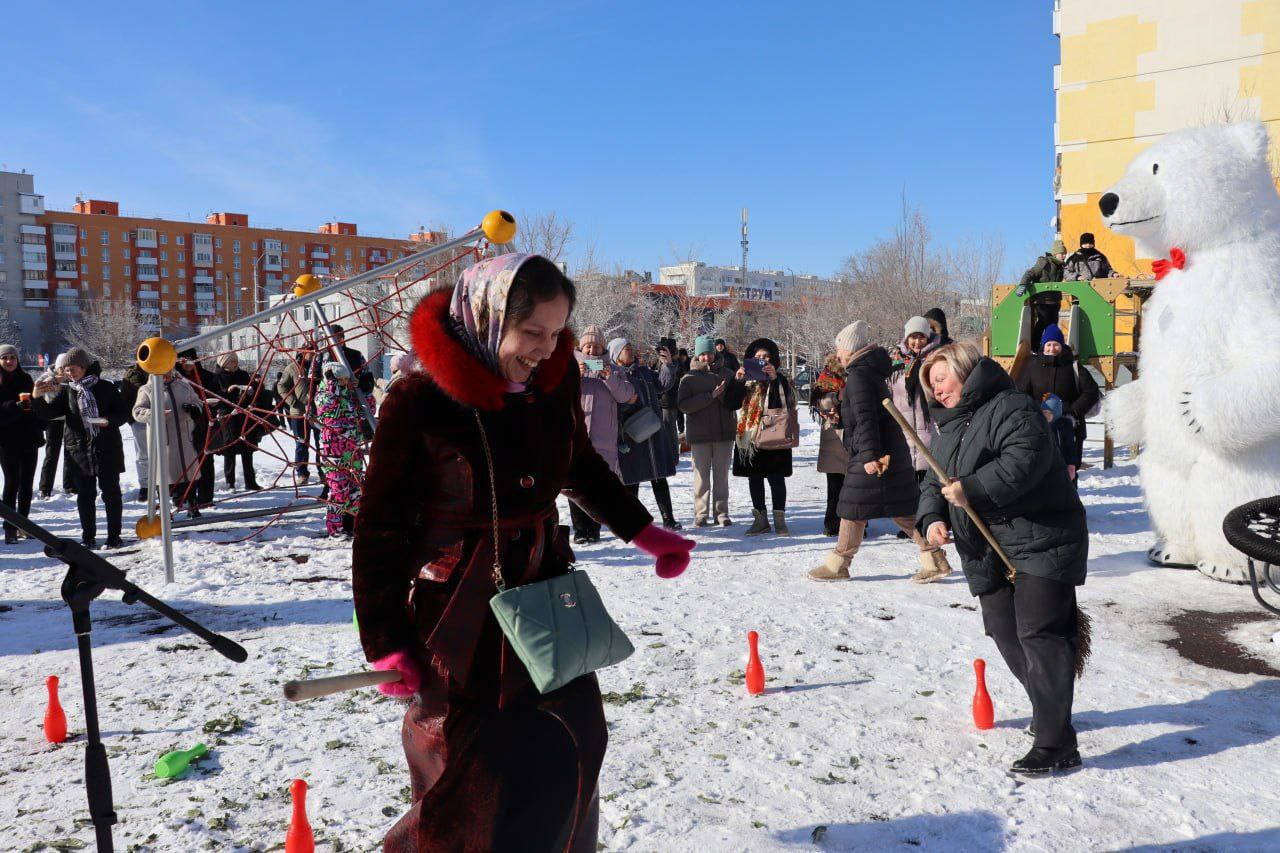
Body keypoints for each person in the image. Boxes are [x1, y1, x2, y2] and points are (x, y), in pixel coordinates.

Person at [352, 252, 694, 850]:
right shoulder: (419, 402)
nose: (545, 347)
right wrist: (385, 640)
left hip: (545, 597)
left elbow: (580, 465)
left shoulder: (553, 384)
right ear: (485, 318)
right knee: (469, 772)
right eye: (532, 331)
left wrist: (643, 531)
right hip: (461, 617)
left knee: (573, 739)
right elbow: (379, 528)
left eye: (556, 332)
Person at [916, 342, 1088, 774]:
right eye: (930, 385)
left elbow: (1024, 460)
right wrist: (934, 518)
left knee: (1039, 631)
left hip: (1041, 535)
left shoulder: (1012, 407)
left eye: (941, 379)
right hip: (985, 547)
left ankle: (1056, 742)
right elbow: (933, 482)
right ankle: (1049, 712)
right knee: (1002, 629)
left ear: (965, 371)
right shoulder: (948, 425)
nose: (936, 390)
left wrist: (970, 489)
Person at [808, 322, 945, 582]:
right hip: (886, 451)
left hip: (876, 454)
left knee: (853, 507)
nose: (837, 356)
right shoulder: (867, 372)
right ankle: (934, 558)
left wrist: (870, 456)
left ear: (850, 349)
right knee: (895, 510)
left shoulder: (859, 376)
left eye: (840, 350)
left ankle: (838, 565)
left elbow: (866, 418)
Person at [32, 347, 128, 548]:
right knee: (85, 495)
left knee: (111, 493)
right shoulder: (68, 391)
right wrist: (37, 397)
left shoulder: (106, 387)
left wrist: (108, 421)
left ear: (84, 367)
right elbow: (48, 414)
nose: (69, 373)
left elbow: (123, 414)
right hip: (79, 450)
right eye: (66, 369)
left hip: (106, 447)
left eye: (72, 368)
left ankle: (114, 536)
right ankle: (88, 537)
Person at [570, 325, 635, 544]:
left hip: (604, 439)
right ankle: (580, 530)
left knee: (598, 486)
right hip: (577, 437)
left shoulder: (615, 370)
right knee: (576, 485)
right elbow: (557, 394)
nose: (592, 351)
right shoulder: (569, 366)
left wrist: (609, 377)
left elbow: (627, 395)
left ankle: (594, 529)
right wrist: (574, 376)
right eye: (588, 346)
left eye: (597, 347)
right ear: (581, 346)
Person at [612, 336, 682, 531]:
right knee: (631, 481)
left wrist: (667, 364)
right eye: (626, 348)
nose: (630, 350)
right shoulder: (614, 375)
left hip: (653, 432)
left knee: (659, 476)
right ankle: (631, 522)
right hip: (631, 435)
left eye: (630, 346)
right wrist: (627, 402)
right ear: (616, 354)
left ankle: (668, 519)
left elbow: (663, 385)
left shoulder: (643, 372)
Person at [678, 335, 746, 527]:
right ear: (697, 355)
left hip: (724, 433)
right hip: (699, 435)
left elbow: (735, 402)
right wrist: (711, 395)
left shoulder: (727, 373)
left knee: (721, 476)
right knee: (701, 478)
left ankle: (721, 513)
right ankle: (701, 514)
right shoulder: (688, 378)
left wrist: (738, 383)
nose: (706, 358)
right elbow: (683, 405)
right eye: (702, 354)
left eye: (709, 353)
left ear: (714, 352)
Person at [733, 337, 797, 536]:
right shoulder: (746, 380)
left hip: (774, 434)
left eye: (766, 357)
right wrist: (737, 382)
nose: (762, 360)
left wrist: (774, 378)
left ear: (773, 359)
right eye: (758, 357)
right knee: (755, 478)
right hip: (750, 436)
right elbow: (731, 403)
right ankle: (760, 520)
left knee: (776, 479)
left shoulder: (780, 379)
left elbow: (786, 403)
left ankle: (779, 520)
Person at [1016, 324, 1100, 466]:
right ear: (1043, 346)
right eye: (1049, 344)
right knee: (1041, 468)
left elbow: (1091, 391)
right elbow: (1021, 393)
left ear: (1062, 345)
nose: (1052, 348)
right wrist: (1036, 410)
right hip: (1039, 424)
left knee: (1069, 469)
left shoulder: (1074, 367)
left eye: (1056, 344)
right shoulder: (1032, 366)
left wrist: (1073, 410)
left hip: (1069, 425)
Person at [132, 367, 204, 517]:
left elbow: (198, 402)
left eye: (168, 370)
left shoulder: (184, 386)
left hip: (185, 438)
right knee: (164, 477)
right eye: (162, 370)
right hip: (163, 441)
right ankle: (165, 512)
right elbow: (137, 411)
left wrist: (194, 408)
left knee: (189, 474)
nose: (166, 374)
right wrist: (154, 413)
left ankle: (193, 505)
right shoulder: (147, 389)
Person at [0, 345, 43, 544]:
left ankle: (24, 525)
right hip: (6, 440)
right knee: (11, 483)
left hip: (28, 438)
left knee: (27, 484)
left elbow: (34, 405)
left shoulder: (26, 379)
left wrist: (36, 402)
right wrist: (13, 407)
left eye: (12, 358)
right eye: (5, 358)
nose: (9, 361)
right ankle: (9, 528)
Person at [315, 362, 363, 536]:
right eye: (340, 379)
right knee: (338, 491)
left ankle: (352, 525)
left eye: (345, 379)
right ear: (331, 378)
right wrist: (332, 385)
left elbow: (368, 408)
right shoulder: (322, 394)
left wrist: (362, 390)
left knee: (356, 490)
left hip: (352, 449)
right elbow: (327, 404)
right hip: (334, 451)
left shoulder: (348, 394)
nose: (344, 382)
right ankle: (335, 529)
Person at [212, 352, 263, 491]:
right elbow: (215, 397)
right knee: (230, 449)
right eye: (232, 361)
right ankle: (230, 482)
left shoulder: (243, 374)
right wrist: (228, 391)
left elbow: (254, 392)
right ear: (224, 363)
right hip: (228, 417)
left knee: (247, 449)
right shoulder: (217, 377)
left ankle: (250, 481)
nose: (235, 363)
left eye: (235, 361)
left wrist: (251, 390)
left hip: (244, 415)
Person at [176, 348, 220, 506]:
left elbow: (217, 397)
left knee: (205, 461)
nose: (188, 364)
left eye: (191, 360)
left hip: (203, 424)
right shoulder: (175, 380)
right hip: (181, 426)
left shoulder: (206, 377)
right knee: (185, 463)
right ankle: (187, 497)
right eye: (184, 360)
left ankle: (206, 497)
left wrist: (210, 405)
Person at [810, 353, 848, 536]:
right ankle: (832, 523)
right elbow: (818, 401)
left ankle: (857, 524)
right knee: (834, 485)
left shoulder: (859, 373)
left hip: (855, 431)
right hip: (833, 434)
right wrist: (837, 397)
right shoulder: (827, 376)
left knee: (856, 484)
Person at [277, 345, 318, 485]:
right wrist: (292, 402)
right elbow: (281, 386)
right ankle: (302, 473)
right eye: (310, 353)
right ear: (303, 353)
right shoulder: (292, 368)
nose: (313, 355)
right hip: (299, 412)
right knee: (301, 443)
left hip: (318, 412)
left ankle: (323, 472)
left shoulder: (319, 366)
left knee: (322, 444)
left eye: (314, 353)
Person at [36, 353, 75, 499]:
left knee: (70, 453)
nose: (65, 371)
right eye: (62, 368)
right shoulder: (47, 377)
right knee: (52, 453)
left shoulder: (71, 377)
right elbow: (47, 398)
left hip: (69, 419)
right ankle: (45, 487)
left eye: (67, 368)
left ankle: (69, 485)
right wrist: (56, 382)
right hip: (53, 420)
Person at [120, 363, 151, 501]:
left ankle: (163, 483)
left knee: (165, 453)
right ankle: (145, 486)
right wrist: (132, 420)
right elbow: (125, 400)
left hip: (163, 418)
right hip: (140, 420)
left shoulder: (163, 368)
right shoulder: (131, 376)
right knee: (143, 455)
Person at [1039, 394, 1080, 484]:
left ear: (1057, 413)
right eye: (1044, 413)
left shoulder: (1064, 426)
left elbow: (1071, 447)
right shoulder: (1040, 426)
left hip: (1062, 463)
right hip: (1046, 465)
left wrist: (1071, 465)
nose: (1046, 416)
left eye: (1050, 413)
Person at [327, 323, 375, 396]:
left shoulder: (356, 355)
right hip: (328, 401)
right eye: (333, 339)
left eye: (339, 338)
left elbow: (369, 380)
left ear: (343, 339)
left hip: (352, 400)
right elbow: (312, 380)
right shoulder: (322, 356)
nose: (336, 341)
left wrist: (360, 383)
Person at [656, 337, 685, 454]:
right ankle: (667, 453)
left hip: (669, 401)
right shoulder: (660, 362)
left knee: (670, 429)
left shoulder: (676, 364)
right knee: (664, 429)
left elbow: (670, 380)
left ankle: (673, 455)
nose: (661, 353)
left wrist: (668, 364)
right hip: (662, 401)